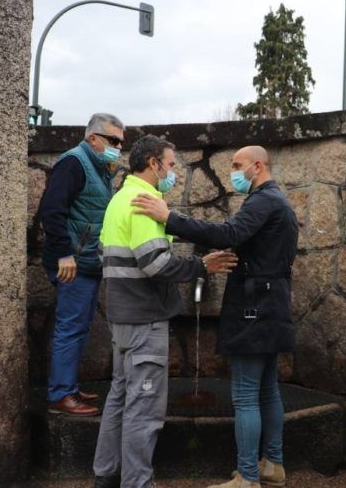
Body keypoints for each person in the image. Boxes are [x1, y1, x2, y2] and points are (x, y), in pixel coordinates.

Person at [131, 145, 298, 488]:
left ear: (257, 165)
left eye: (238, 165)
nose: (233, 172)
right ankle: (273, 465)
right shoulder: (278, 201)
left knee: (246, 394)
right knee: (268, 390)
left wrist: (169, 218)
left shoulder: (264, 200)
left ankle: (247, 477)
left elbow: (229, 233)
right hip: (271, 303)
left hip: (254, 306)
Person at [93, 135, 238, 488]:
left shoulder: (118, 199)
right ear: (154, 163)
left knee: (119, 398)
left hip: (121, 316)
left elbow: (105, 255)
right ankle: (138, 483)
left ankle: (106, 475)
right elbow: (155, 264)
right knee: (144, 409)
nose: (173, 173)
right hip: (144, 319)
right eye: (170, 165)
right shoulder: (145, 201)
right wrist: (201, 266)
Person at [40, 113, 125, 416]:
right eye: (113, 140)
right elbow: (51, 209)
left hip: (86, 261)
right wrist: (65, 254)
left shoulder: (100, 167)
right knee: (71, 328)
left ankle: (69, 387)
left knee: (80, 327)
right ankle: (61, 395)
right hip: (72, 263)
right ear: (93, 138)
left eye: (120, 142)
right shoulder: (74, 163)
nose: (118, 146)